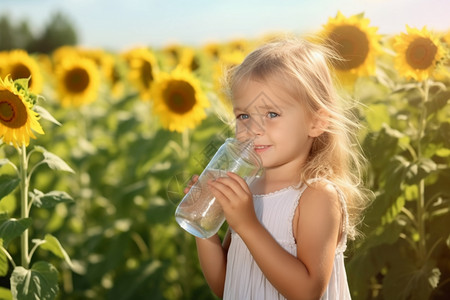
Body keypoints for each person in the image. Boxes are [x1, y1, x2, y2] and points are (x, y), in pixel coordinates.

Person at [187, 36, 371, 300]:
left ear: (316, 122)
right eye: (244, 116)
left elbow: (308, 292)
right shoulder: (248, 187)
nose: (254, 129)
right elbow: (227, 284)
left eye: (272, 114)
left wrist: (248, 225)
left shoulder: (316, 196)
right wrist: (204, 227)